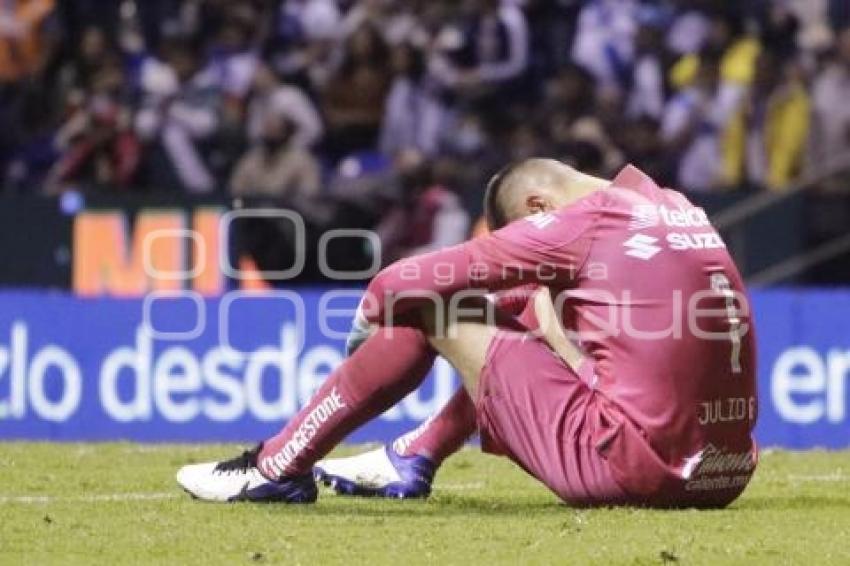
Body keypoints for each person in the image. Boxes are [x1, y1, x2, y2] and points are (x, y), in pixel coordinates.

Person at [177, 158, 757, 508]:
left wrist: (365, 335)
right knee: (526, 305)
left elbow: (397, 284)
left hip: (637, 469)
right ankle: (417, 451)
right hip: (722, 472)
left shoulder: (579, 222)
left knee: (433, 306)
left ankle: (275, 469)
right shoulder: (674, 205)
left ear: (538, 207)